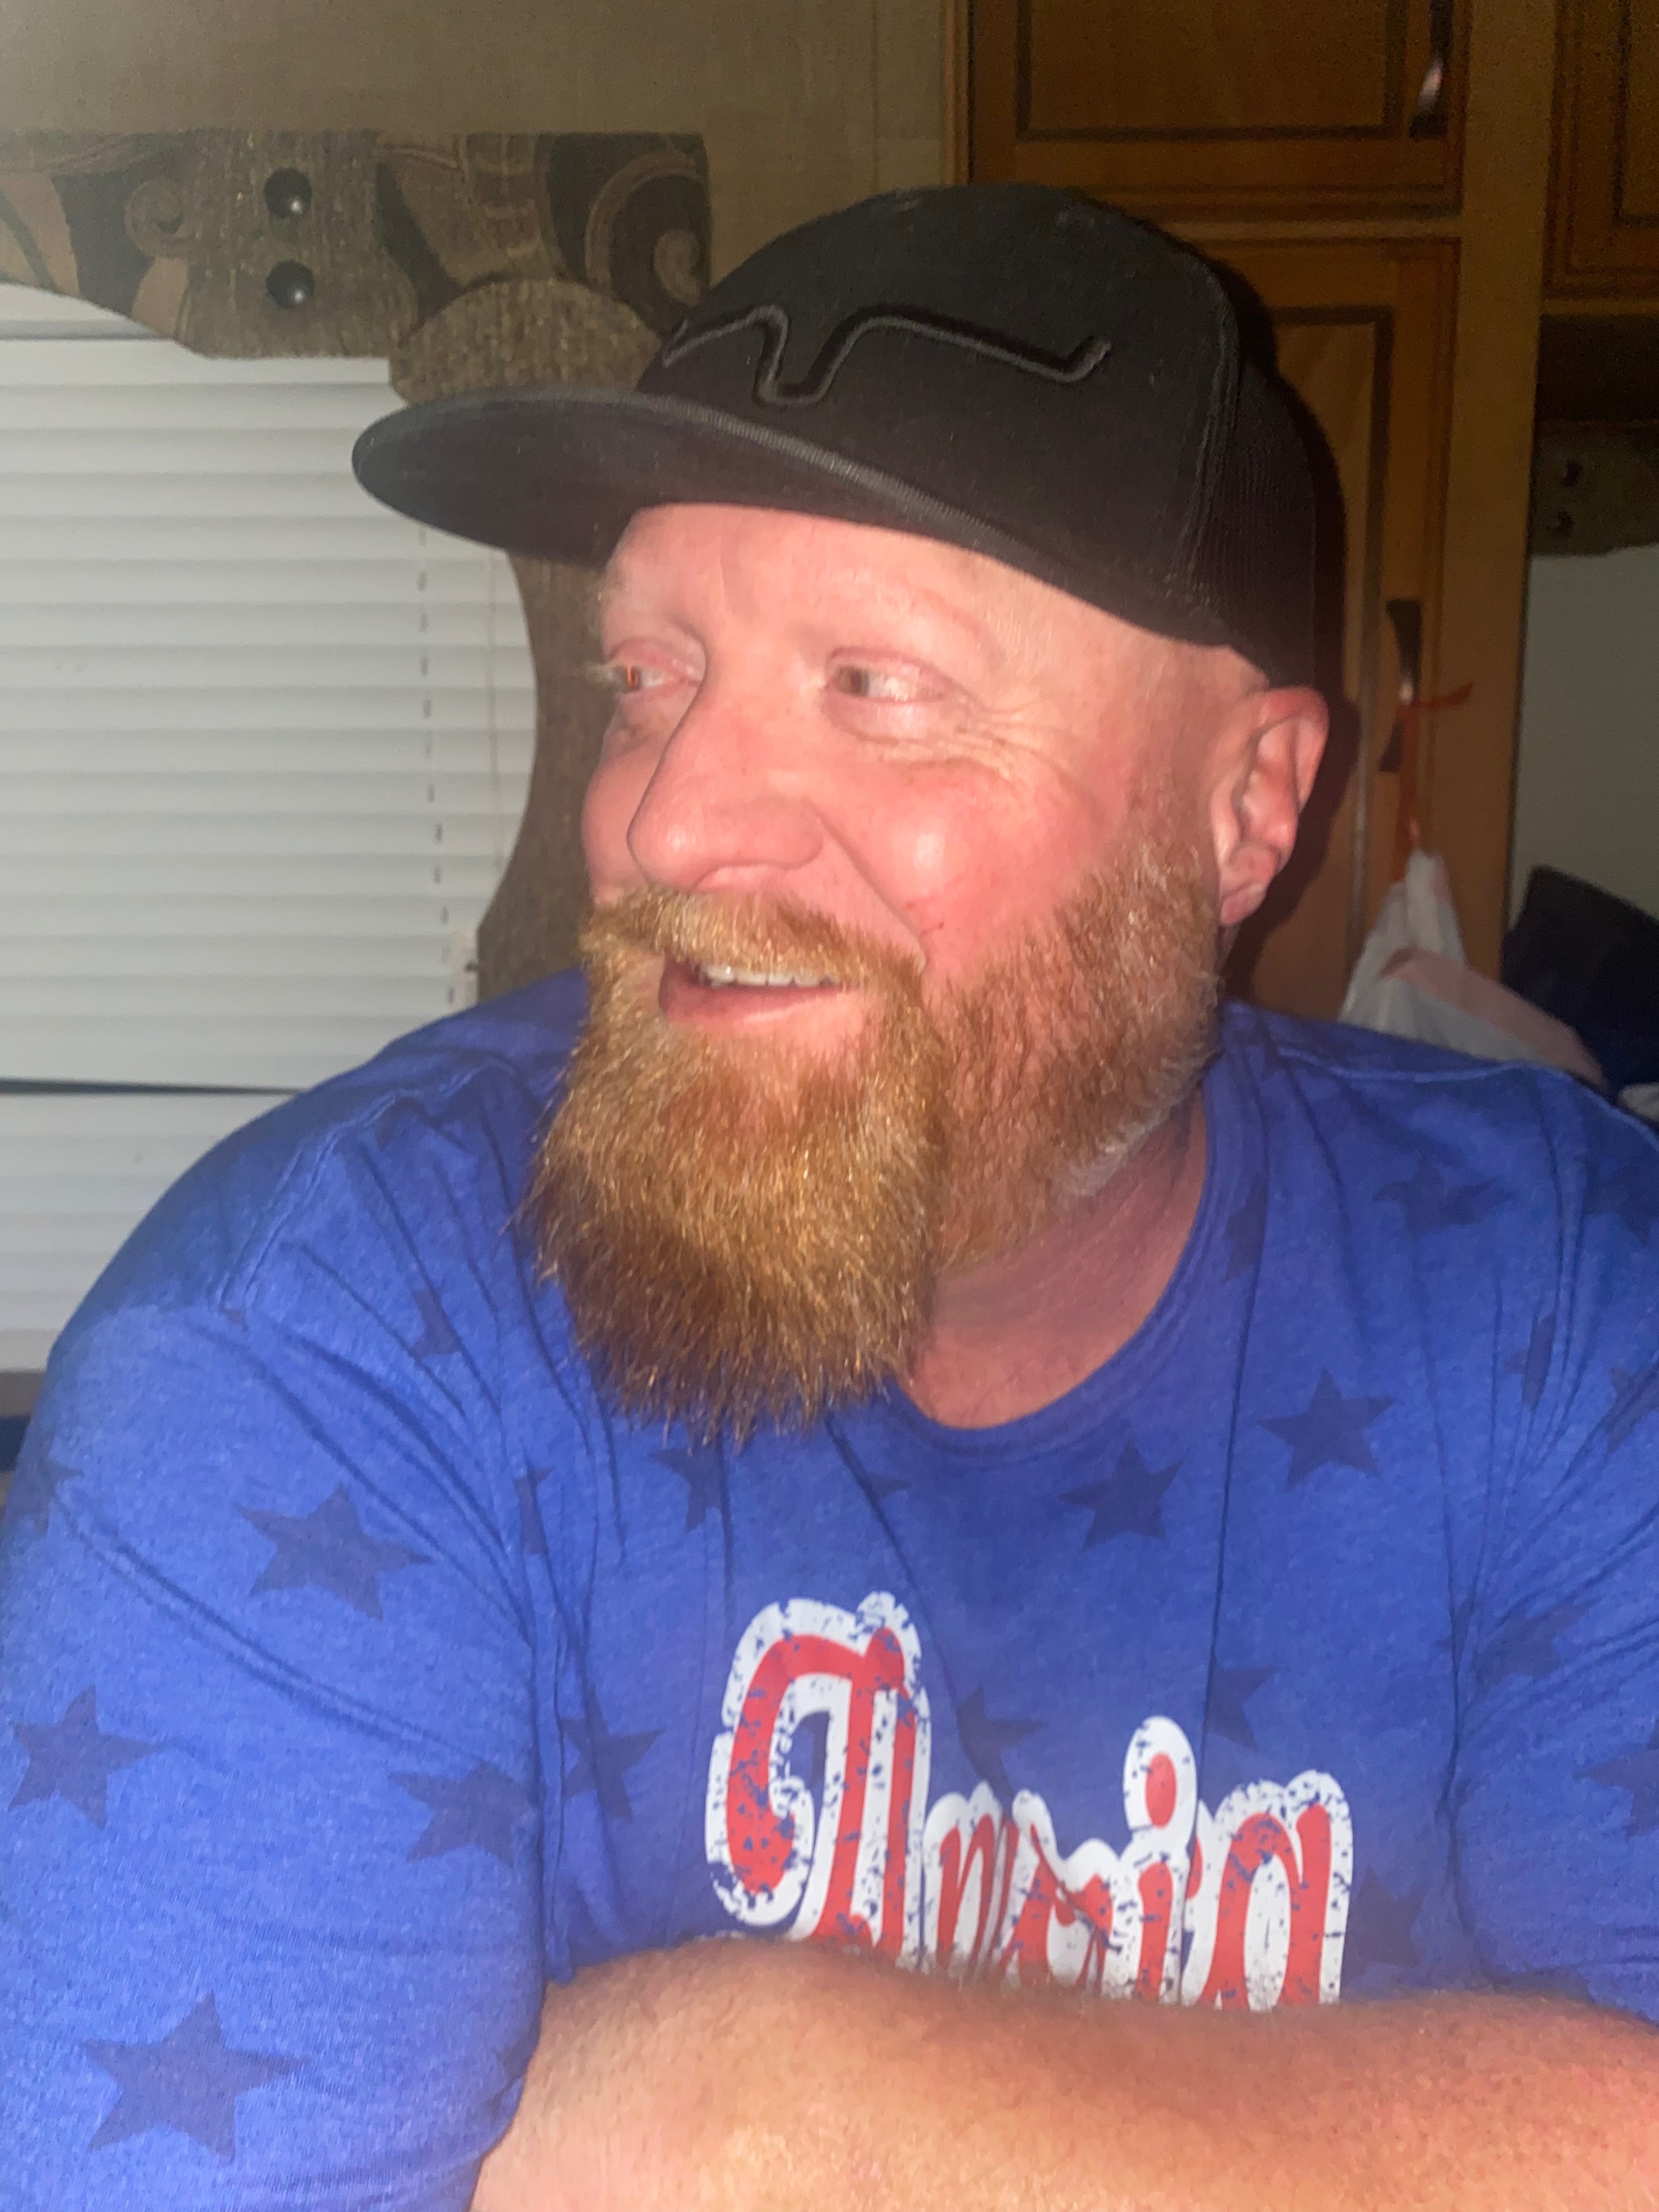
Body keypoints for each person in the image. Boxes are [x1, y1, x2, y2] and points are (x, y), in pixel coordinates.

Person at [3, 184, 1657, 2210]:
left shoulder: (1569, 1298)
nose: (668, 821)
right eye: (649, 675)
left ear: (1247, 808)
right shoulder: (311, 1337)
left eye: (875, 684)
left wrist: (736, 2105)